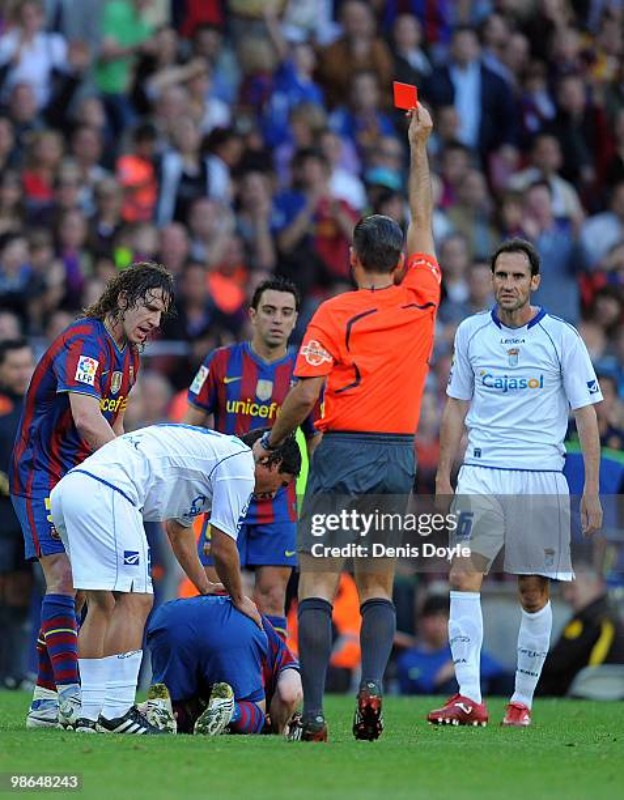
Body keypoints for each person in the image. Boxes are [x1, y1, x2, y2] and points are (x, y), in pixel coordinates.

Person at [253, 103, 441, 741]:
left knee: (319, 580)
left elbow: (305, 394)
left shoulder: (335, 313)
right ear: (401, 258)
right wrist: (419, 146)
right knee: (379, 585)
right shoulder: (422, 297)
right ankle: (371, 688)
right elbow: (425, 217)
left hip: (342, 452)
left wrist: (276, 439)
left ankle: (312, 715)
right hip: (397, 455)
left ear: (354, 256)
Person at [428, 237, 603, 729]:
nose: (506, 285)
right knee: (463, 576)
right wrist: (444, 474)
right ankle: (468, 697)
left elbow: (586, 415)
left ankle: (521, 703)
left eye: (516, 277)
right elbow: (456, 405)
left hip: (540, 475)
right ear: (491, 278)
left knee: (532, 592)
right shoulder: (470, 333)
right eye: (500, 275)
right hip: (481, 469)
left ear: (534, 282)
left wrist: (589, 489)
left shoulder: (562, 338)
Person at [50, 424, 301, 734]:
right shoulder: (239, 463)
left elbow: (177, 529)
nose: (273, 493)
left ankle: (86, 713)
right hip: (109, 493)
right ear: (270, 462)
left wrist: (205, 585)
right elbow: (223, 546)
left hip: (70, 490)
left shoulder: (212, 456)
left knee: (101, 604)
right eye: (283, 482)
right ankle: (116, 712)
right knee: (137, 599)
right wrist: (239, 598)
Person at [9, 261, 174, 729]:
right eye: (149, 308)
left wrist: (122, 481)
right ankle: (73, 702)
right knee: (62, 577)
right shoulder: (84, 343)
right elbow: (86, 419)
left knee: (80, 587)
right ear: (122, 299)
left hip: (80, 477)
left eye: (162, 314)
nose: (155, 322)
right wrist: (130, 468)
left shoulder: (131, 355)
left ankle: (44, 703)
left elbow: (114, 423)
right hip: (40, 472)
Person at [183, 276, 319, 639]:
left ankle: (267, 690)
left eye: (286, 312)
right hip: (226, 499)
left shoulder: (306, 375)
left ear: (295, 320)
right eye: (270, 310)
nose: (277, 319)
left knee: (273, 598)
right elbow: (188, 429)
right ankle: (217, 688)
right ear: (253, 315)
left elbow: (318, 440)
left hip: (279, 504)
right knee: (215, 596)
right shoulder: (221, 362)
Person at [145, 594, 302, 736]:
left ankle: (157, 710)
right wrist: (278, 729)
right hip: (232, 627)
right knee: (255, 710)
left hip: (170, 617)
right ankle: (232, 711)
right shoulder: (283, 659)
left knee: (178, 703)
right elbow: (289, 694)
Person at [0, 339, 35, 689]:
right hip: (3, 520)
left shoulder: (39, 408)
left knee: (21, 598)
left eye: (27, 364)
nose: (22, 372)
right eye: (15, 366)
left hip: (25, 519)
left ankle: (13, 671)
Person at [396, 594, 512, 697]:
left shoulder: (461, 649)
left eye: (443, 618)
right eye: (432, 618)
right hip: (438, 699)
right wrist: (440, 678)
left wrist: (460, 668)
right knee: (450, 684)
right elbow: (419, 688)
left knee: (508, 680)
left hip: (477, 696)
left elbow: (496, 669)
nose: (438, 625)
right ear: (421, 622)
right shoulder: (409, 658)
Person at [538, 564, 624, 697]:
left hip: (581, 690)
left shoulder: (590, 621)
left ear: (596, 586)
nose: (567, 596)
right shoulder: (611, 617)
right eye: (564, 591)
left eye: (572, 588)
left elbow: (557, 663)